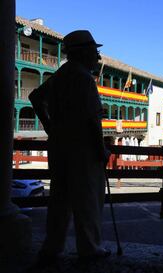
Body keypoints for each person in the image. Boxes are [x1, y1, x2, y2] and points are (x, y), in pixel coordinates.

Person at [29, 30, 111, 265]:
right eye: (95, 52)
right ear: (84, 52)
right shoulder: (84, 78)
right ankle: (90, 248)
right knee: (88, 200)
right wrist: (101, 150)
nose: (97, 57)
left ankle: (52, 247)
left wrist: (49, 126)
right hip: (82, 149)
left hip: (59, 146)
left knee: (59, 200)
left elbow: (35, 97)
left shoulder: (62, 74)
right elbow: (92, 120)